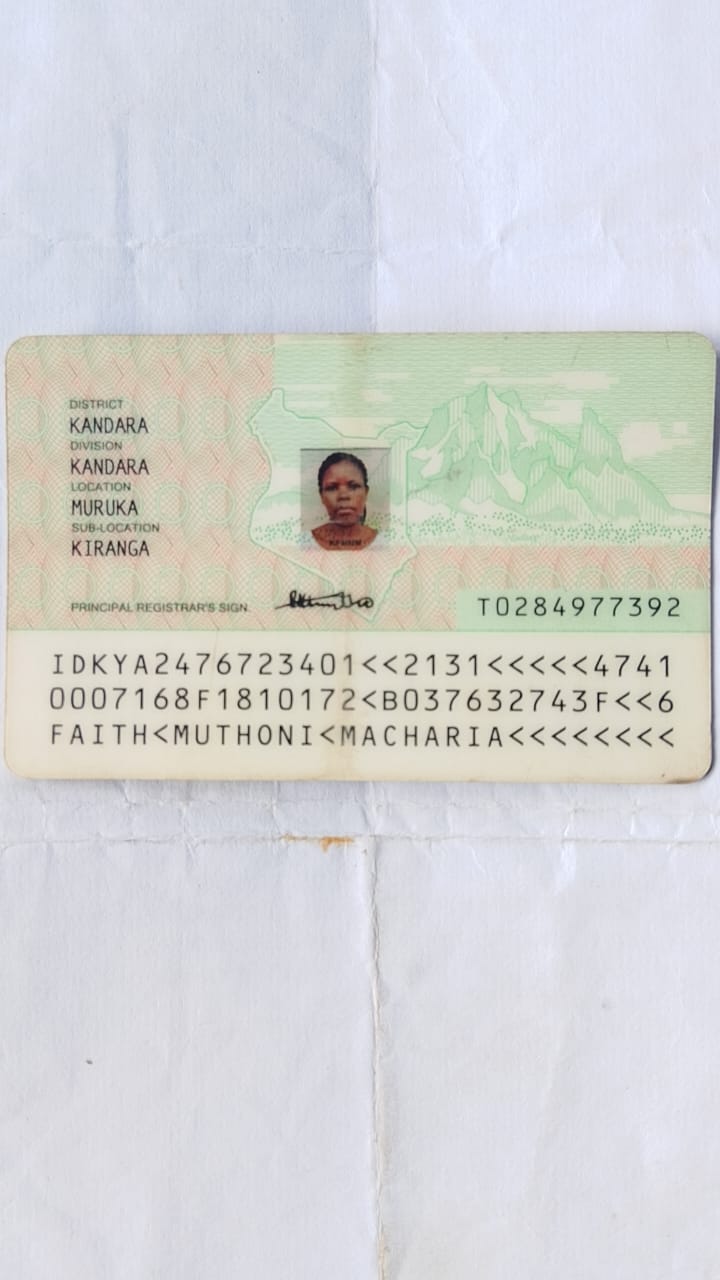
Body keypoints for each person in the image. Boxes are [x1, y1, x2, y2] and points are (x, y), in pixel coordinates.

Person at [311, 452, 378, 550]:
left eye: (353, 486)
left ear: (366, 493)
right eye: (332, 488)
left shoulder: (385, 542)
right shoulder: (304, 541)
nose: (343, 496)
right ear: (321, 496)